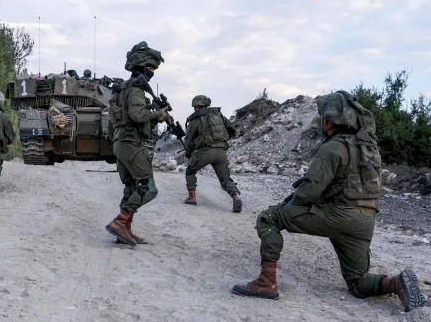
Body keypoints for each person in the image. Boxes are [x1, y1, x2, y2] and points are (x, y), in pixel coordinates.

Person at [231, 90, 428, 312]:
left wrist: (289, 206)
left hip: (337, 216)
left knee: (269, 218)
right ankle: (395, 282)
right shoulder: (369, 148)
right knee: (357, 282)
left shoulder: (333, 147)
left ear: (329, 120)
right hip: (365, 221)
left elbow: (309, 191)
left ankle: (266, 283)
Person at [105, 41, 169, 247]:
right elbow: (137, 114)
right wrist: (159, 114)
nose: (152, 72)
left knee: (131, 187)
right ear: (142, 66)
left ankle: (125, 230)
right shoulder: (135, 90)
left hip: (120, 142)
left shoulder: (120, 90)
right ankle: (120, 222)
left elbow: (112, 123)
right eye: (151, 68)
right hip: (132, 143)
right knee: (147, 188)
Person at [183, 95, 242, 212]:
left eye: (195, 106)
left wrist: (188, 152)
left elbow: (188, 140)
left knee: (190, 170)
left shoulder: (195, 119)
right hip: (221, 151)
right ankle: (236, 195)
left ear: (197, 106)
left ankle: (192, 197)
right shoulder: (218, 115)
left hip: (205, 152)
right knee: (225, 179)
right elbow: (232, 129)